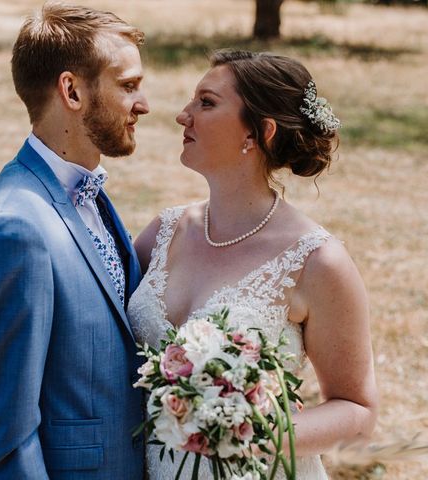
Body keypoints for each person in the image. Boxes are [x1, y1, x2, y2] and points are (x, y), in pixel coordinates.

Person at [127, 50, 378, 479]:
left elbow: (357, 411)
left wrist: (250, 430)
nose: (182, 116)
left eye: (206, 103)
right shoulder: (162, 234)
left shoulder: (317, 261)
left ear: (259, 132)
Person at [0, 3, 150, 478]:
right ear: (72, 91)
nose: (143, 105)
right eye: (128, 86)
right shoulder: (14, 227)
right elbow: (7, 434)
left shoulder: (88, 193)